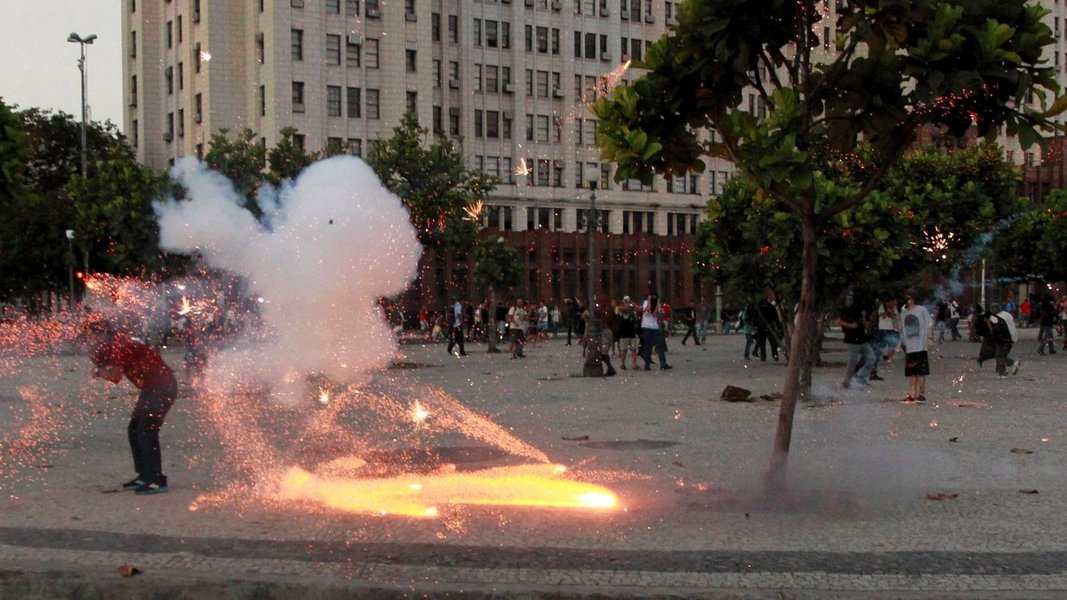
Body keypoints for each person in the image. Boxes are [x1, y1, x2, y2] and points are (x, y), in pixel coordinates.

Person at [86, 319, 178, 495]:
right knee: (135, 429)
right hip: (152, 388)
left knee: (146, 430)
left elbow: (115, 376)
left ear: (103, 335)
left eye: (93, 336)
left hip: (161, 387)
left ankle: (156, 480)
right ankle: (144, 475)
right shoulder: (118, 344)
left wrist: (98, 372)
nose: (91, 340)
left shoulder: (119, 346)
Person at [899, 291, 933, 403]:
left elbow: (929, 323)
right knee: (911, 372)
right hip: (909, 346)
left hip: (920, 346)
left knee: (920, 371)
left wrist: (929, 337)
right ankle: (912, 394)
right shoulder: (903, 312)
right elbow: (902, 328)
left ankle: (921, 394)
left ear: (913, 299)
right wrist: (902, 341)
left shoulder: (921, 310)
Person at [838, 289, 874, 389]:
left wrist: (863, 319)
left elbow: (867, 326)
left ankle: (861, 377)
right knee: (853, 361)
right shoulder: (845, 310)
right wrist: (850, 325)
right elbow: (839, 321)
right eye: (848, 299)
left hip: (862, 338)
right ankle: (846, 381)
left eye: (851, 299)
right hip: (851, 339)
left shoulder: (861, 310)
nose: (850, 301)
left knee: (871, 357)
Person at [869, 297, 900, 381]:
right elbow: (882, 316)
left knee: (892, 349)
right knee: (878, 349)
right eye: (893, 300)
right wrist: (888, 312)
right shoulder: (882, 306)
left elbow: (894, 317)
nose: (895, 302)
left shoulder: (895, 308)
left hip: (893, 330)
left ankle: (884, 357)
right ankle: (873, 370)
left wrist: (891, 312)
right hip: (883, 329)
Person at [986, 303, 1020, 377]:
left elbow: (991, 324)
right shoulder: (1006, 314)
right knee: (1002, 354)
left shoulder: (996, 317)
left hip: (1004, 338)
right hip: (1013, 337)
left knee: (999, 355)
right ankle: (1001, 371)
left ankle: (1012, 364)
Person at [639, 292, 671, 370]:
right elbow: (646, 310)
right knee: (648, 346)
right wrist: (649, 300)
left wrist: (657, 304)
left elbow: (655, 314)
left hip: (654, 326)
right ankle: (647, 365)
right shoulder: (646, 302)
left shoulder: (658, 304)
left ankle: (663, 364)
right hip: (646, 326)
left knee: (660, 344)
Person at [616, 296, 639, 370]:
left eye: (628, 300)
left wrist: (632, 303)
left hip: (631, 333)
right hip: (623, 333)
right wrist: (625, 304)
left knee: (634, 349)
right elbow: (623, 310)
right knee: (624, 350)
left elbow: (638, 309)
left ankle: (634, 365)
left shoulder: (632, 311)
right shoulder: (619, 308)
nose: (627, 302)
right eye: (625, 300)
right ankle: (622, 364)